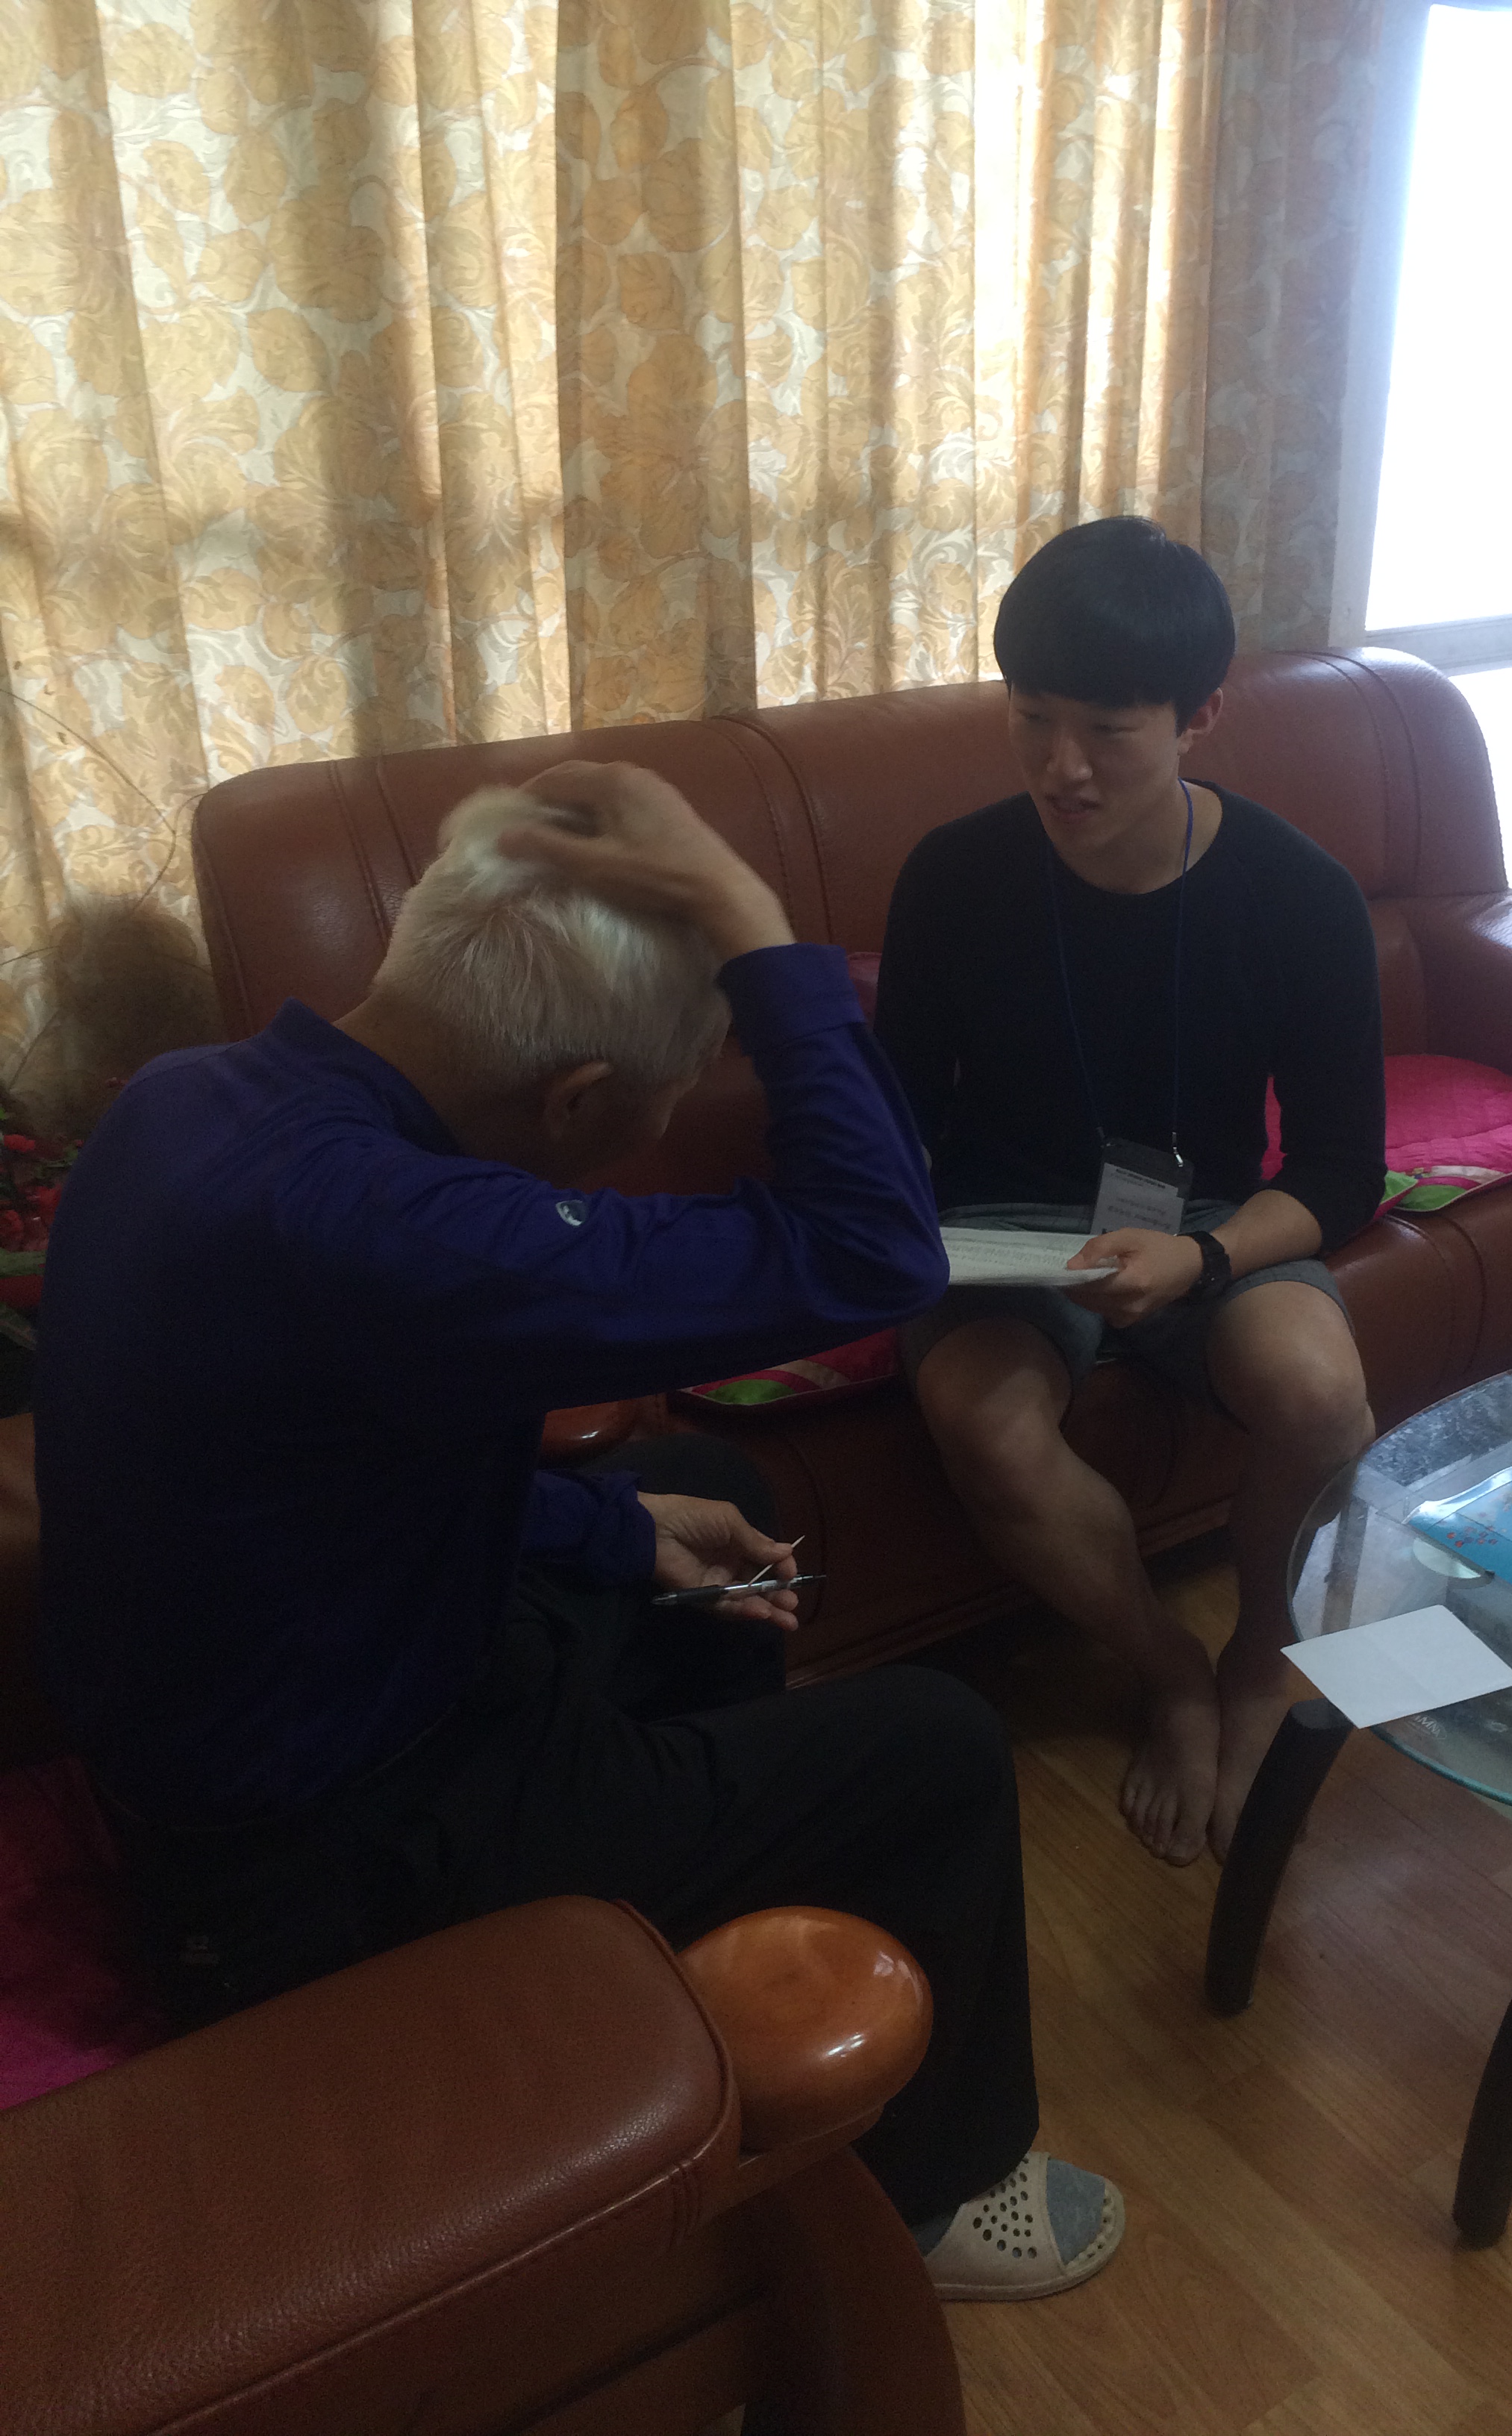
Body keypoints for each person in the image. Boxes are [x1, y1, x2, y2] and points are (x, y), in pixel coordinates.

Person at [32, 763, 1122, 2302]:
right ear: (575, 1101)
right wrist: (750, 920)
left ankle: (686, 1924)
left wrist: (609, 1528)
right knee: (934, 1750)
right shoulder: (399, 1231)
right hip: (317, 1863)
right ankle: (937, 2199)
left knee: (702, 1489)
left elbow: (313, 1466)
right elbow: (881, 1250)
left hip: (312, 1684)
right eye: (659, 1107)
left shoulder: (192, 1100)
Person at [875, 517, 1386, 1867]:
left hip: (1207, 1221)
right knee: (982, 1422)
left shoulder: (1299, 895)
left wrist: (1203, 1262)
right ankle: (1167, 1669)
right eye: (1031, 718)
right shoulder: (954, 876)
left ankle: (1259, 1660)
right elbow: (897, 1112)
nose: (1063, 767)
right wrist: (878, 1225)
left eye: (1107, 731)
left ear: (1201, 715)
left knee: (1323, 1396)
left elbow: (1344, 1168)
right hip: (1004, 1230)